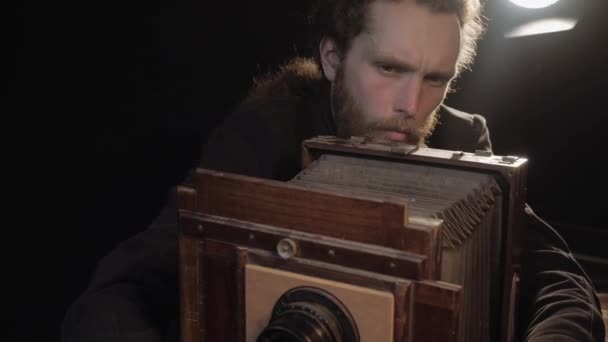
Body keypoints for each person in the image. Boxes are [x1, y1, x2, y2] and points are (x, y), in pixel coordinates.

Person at [61, 0, 606, 341]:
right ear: (331, 58)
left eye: (435, 78)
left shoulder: (463, 139)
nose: (412, 105)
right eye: (389, 68)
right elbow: (122, 289)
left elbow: (559, 279)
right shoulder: (268, 132)